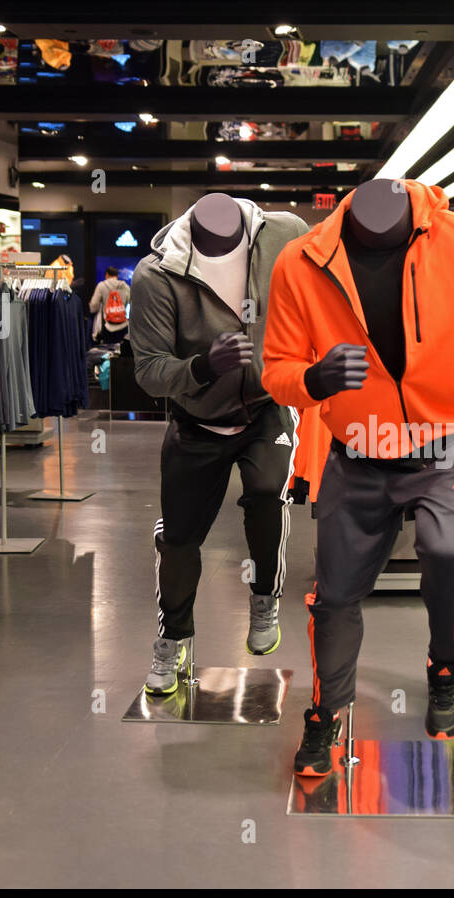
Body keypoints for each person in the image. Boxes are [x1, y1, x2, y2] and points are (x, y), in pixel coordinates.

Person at [262, 178, 454, 774]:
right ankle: (327, 710)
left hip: (445, 442)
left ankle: (443, 664)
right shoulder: (301, 261)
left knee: (445, 550)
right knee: (333, 597)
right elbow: (276, 368)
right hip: (358, 451)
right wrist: (313, 380)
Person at [130, 195, 308, 698]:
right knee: (181, 538)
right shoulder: (157, 274)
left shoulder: (283, 233)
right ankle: (173, 637)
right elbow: (148, 372)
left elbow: (326, 278)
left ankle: (264, 596)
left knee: (268, 493)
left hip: (267, 406)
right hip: (196, 419)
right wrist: (205, 366)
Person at [89, 267, 131, 343]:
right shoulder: (125, 287)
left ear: (107, 275)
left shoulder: (101, 286)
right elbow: (131, 304)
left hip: (107, 327)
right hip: (123, 326)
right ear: (117, 275)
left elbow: (93, 307)